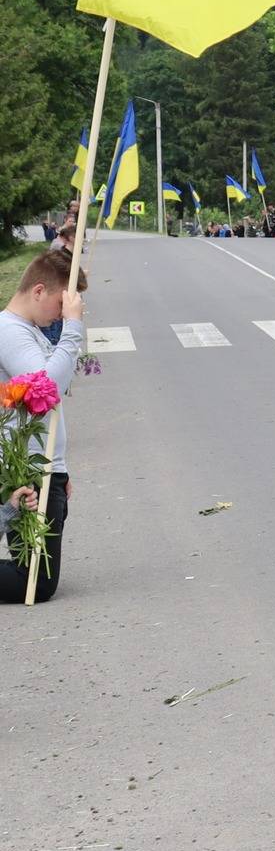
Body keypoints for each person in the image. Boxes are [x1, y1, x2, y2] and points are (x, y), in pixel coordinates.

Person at [1, 251, 86, 603]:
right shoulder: (10, 333)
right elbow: (47, 387)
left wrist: (60, 467)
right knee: (32, 581)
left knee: (37, 578)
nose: (61, 312)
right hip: (29, 471)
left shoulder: (28, 332)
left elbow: (45, 400)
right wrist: (73, 329)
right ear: (38, 291)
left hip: (42, 467)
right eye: (58, 303)